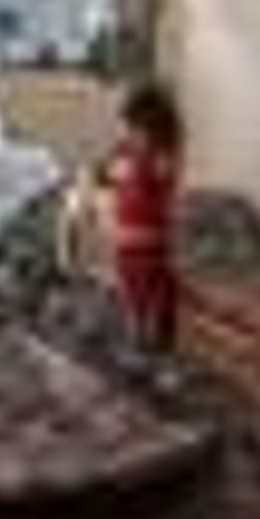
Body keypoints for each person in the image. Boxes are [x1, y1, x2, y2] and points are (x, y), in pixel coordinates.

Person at [109, 81, 183, 348]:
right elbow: (113, 175)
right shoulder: (128, 153)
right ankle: (137, 330)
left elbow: (160, 207)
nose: (128, 134)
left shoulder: (161, 159)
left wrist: (135, 168)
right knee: (131, 298)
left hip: (147, 248)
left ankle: (153, 334)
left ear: (153, 128)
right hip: (126, 246)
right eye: (127, 129)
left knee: (150, 299)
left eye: (134, 129)